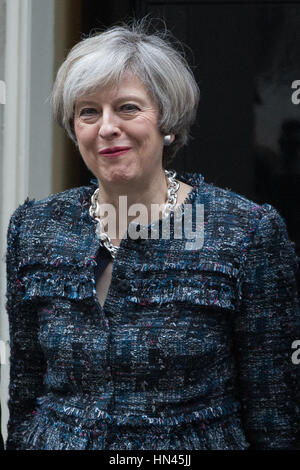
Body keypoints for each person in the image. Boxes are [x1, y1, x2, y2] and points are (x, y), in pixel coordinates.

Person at [5, 18, 300, 450]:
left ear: (168, 121)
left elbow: (274, 408)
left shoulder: (244, 230)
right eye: (88, 112)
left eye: (127, 107)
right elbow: (26, 387)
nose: (107, 127)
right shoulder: (35, 227)